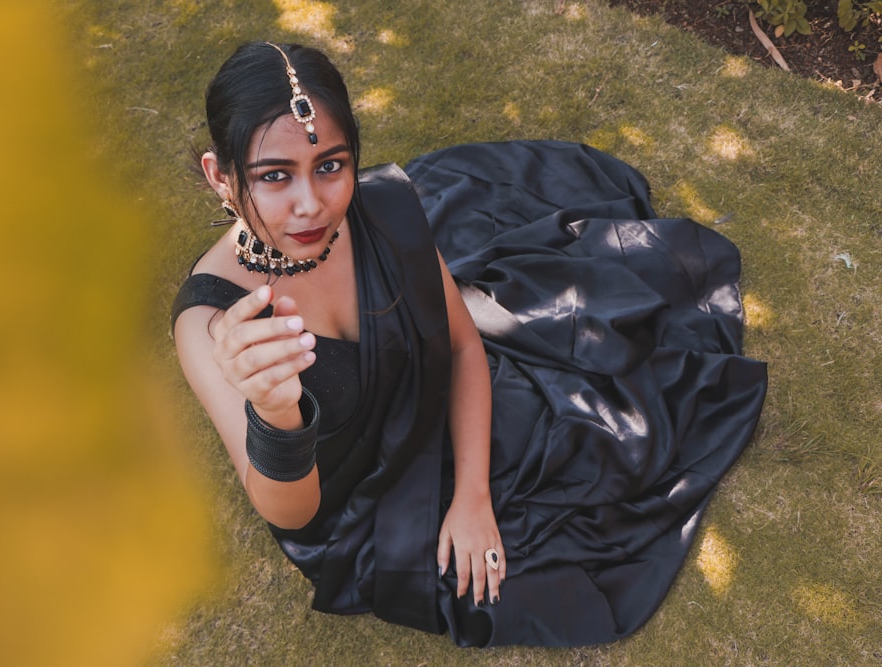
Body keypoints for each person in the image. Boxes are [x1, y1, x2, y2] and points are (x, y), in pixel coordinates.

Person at [172, 41, 767, 648]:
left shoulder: (381, 212)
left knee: (619, 435)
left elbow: (460, 349)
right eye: (275, 176)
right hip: (355, 515)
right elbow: (291, 514)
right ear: (220, 177)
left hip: (438, 412)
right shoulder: (212, 322)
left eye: (331, 164)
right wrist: (277, 417)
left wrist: (473, 497)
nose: (312, 204)